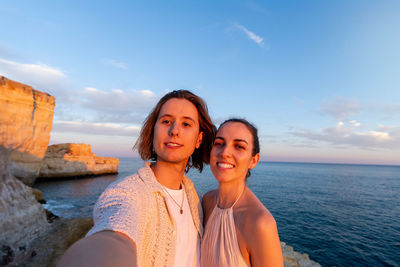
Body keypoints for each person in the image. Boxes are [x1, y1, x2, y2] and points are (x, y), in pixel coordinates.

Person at [58, 90, 215, 267]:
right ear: (153, 130)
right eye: (166, 121)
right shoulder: (128, 193)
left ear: (199, 139)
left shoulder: (196, 199)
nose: (174, 131)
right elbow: (115, 230)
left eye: (186, 124)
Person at [201, 118, 283, 267]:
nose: (225, 152)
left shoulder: (261, 223)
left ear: (253, 160)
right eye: (219, 143)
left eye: (239, 146)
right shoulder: (206, 201)